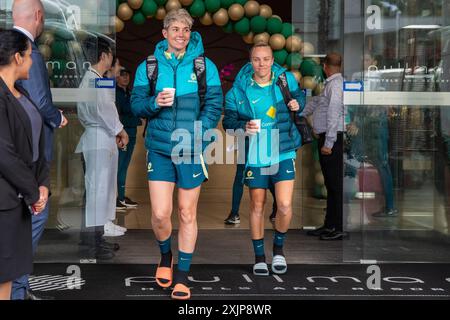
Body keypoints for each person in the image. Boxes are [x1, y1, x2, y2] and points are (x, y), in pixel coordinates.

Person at [131, 9, 223, 300]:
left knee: (186, 212)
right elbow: (136, 105)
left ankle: (182, 276)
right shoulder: (149, 66)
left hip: (190, 148)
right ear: (164, 33)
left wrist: (201, 130)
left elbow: (214, 104)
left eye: (185, 30)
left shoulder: (204, 66)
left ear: (190, 33)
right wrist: (154, 102)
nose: (180, 34)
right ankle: (165, 256)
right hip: (158, 148)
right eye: (175, 29)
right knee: (160, 214)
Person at [223, 43, 305, 276]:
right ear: (251, 62)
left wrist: (299, 104)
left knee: (285, 205)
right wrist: (243, 125)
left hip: (283, 150)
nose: (262, 64)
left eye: (266, 59)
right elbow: (228, 122)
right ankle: (259, 257)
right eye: (257, 59)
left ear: (272, 60)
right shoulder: (239, 90)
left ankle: (278, 251)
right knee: (257, 206)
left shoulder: (285, 80)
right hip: (256, 153)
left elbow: (300, 98)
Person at [11, 0, 68, 300]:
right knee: (34, 217)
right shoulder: (24, 49)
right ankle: (17, 289)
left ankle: (17, 287)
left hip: (19, 158)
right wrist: (57, 116)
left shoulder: (11, 46)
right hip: (27, 159)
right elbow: (38, 102)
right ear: (38, 16)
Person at [0, 29, 49, 300]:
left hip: (19, 199)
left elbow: (35, 143)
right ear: (17, 57)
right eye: (29, 56)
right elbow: (4, 153)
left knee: (7, 274)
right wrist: (32, 192)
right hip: (6, 200)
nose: (32, 62)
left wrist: (42, 183)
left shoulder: (19, 92)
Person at [75, 37, 129, 258]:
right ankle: (92, 244)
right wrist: (120, 130)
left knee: (97, 192)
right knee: (97, 192)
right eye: (109, 55)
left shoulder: (93, 79)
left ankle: (95, 239)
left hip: (98, 138)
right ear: (104, 56)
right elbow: (106, 110)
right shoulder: (96, 80)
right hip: (99, 139)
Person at [302, 53, 347, 240]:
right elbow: (319, 104)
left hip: (332, 140)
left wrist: (328, 143)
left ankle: (336, 227)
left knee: (334, 186)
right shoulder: (331, 85)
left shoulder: (335, 85)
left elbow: (333, 114)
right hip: (328, 138)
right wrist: (302, 112)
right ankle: (329, 225)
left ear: (325, 66)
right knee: (330, 184)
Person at [347, 53, 397, 217]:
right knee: (352, 160)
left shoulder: (380, 79)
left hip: (375, 129)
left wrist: (357, 122)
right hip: (362, 128)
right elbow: (353, 102)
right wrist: (352, 121)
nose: (363, 61)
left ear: (374, 63)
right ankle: (345, 202)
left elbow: (377, 108)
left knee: (382, 165)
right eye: (363, 58)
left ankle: (390, 206)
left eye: (367, 59)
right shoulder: (357, 77)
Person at [115, 66, 141, 210]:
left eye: (127, 75)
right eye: (122, 75)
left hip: (132, 132)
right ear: (117, 77)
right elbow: (118, 115)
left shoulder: (129, 93)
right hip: (121, 133)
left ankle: (121, 197)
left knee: (124, 166)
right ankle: (115, 198)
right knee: (118, 166)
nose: (126, 77)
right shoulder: (115, 93)